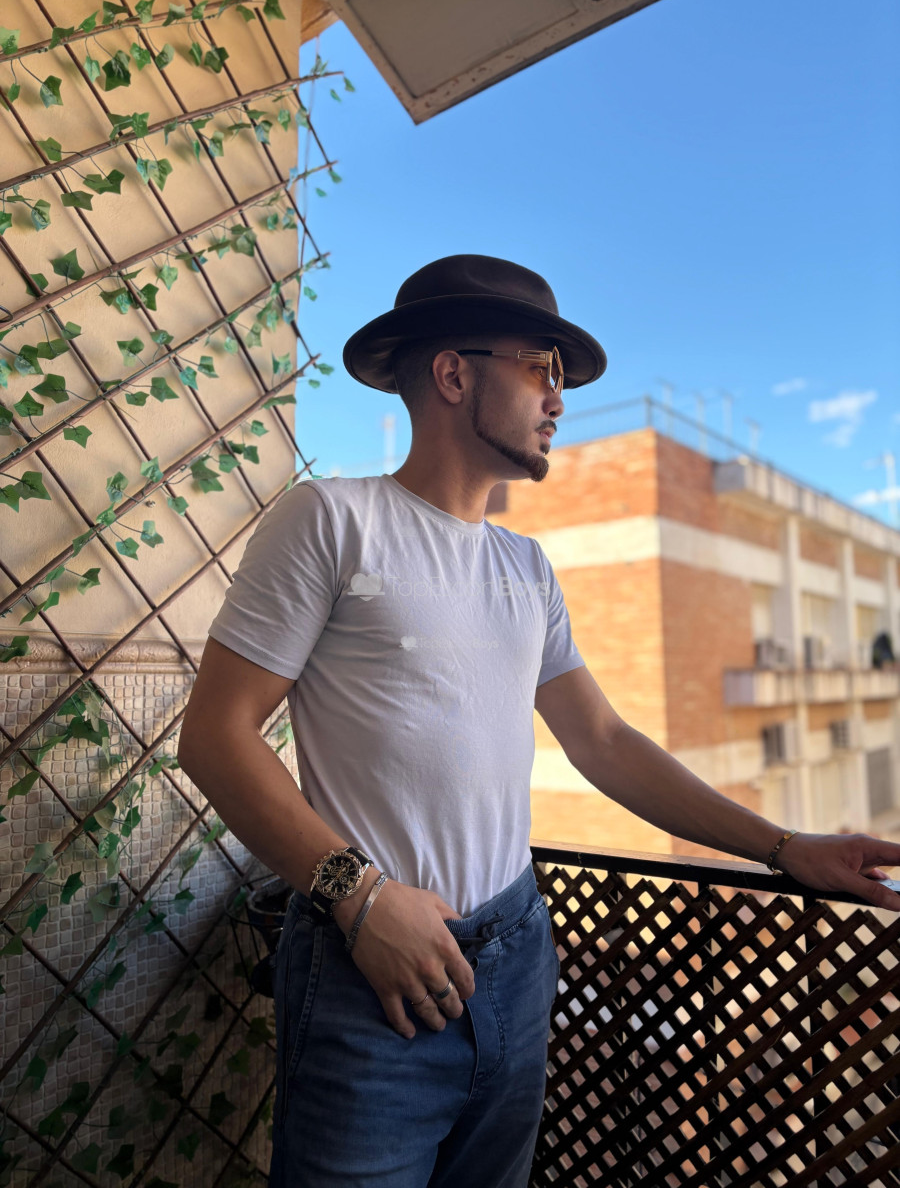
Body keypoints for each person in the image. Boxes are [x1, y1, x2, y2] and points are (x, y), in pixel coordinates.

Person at [177, 254, 900, 1188]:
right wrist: (360, 900)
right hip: (371, 971)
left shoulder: (526, 567)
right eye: (541, 369)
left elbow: (603, 742)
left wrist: (784, 846)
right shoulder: (331, 521)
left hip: (517, 956)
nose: (558, 399)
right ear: (453, 374)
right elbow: (216, 736)